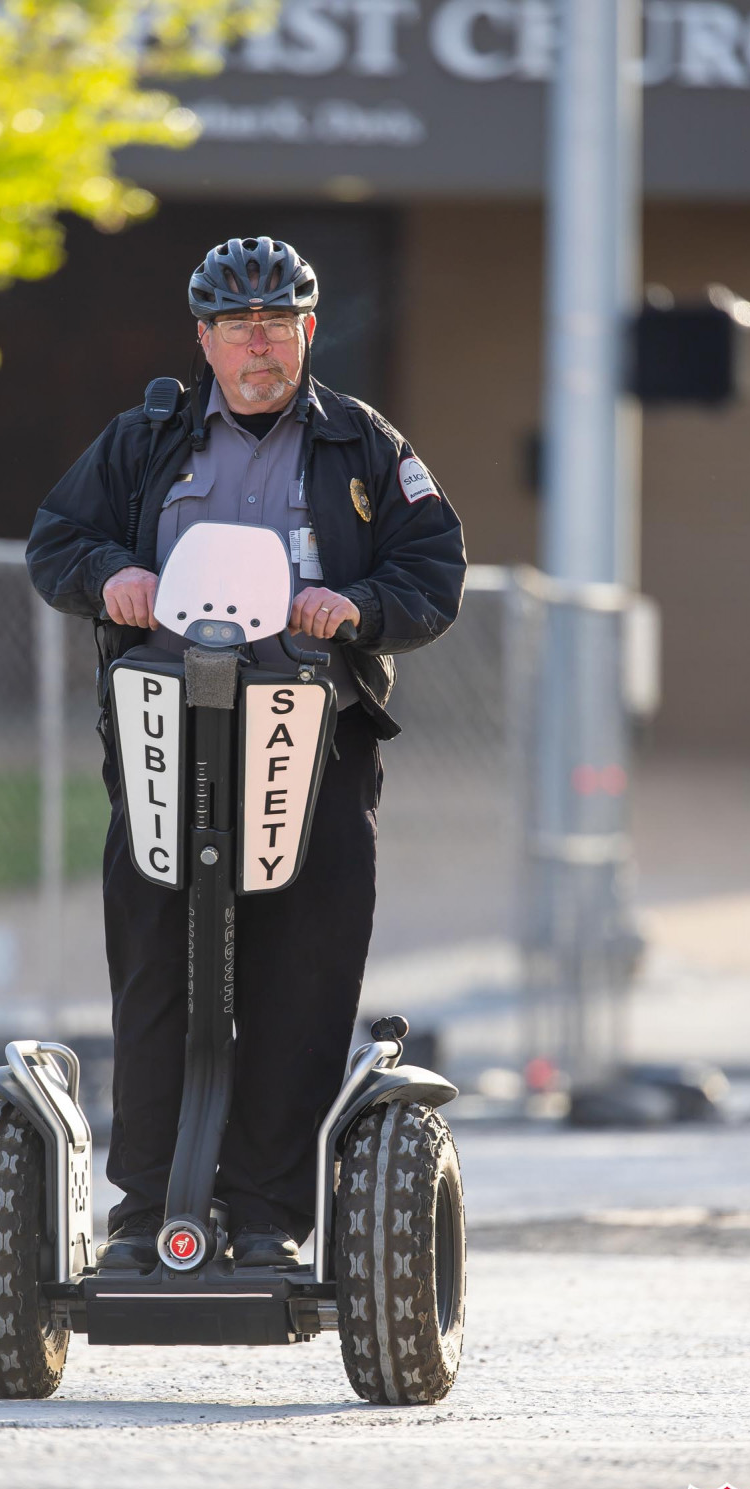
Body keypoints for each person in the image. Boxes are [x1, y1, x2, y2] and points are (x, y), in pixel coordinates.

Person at [27, 235, 466, 1269]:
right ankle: (147, 1214)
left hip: (312, 740)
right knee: (155, 968)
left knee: (300, 971)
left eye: (276, 323)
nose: (256, 343)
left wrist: (354, 606)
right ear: (205, 340)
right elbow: (57, 540)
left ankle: (266, 1216)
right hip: (168, 735)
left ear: (306, 332)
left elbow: (432, 567)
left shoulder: (361, 445)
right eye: (236, 326)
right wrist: (111, 577)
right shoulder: (146, 438)